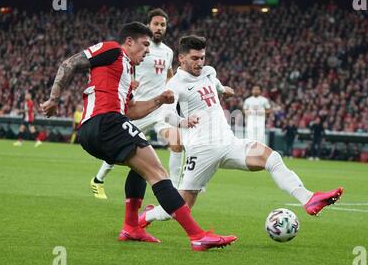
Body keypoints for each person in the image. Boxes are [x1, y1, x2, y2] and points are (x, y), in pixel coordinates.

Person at [40, 22, 236, 251]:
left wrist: (159, 101)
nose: (147, 51)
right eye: (144, 45)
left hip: (93, 131)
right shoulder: (113, 49)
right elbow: (70, 63)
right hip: (105, 122)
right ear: (129, 42)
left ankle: (131, 227)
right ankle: (197, 236)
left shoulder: (126, 70)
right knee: (158, 172)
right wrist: (54, 98)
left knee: (140, 169)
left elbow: (131, 110)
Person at [138, 35, 343, 228]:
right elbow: (166, 115)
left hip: (228, 143)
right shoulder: (175, 84)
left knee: (270, 157)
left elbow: (216, 86)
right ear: (181, 58)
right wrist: (183, 121)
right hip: (202, 150)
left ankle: (308, 199)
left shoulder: (209, 71)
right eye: (194, 58)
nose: (199, 62)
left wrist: (224, 90)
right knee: (182, 207)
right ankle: (147, 215)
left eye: (202, 57)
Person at [90, 8, 183, 200]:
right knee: (119, 150)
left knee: (176, 142)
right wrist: (130, 82)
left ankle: (175, 187)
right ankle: (98, 179)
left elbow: (168, 74)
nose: (159, 28)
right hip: (138, 107)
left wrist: (171, 88)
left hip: (157, 109)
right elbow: (126, 66)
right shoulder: (141, 47)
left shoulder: (168, 52)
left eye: (162, 25)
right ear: (148, 25)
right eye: (156, 24)